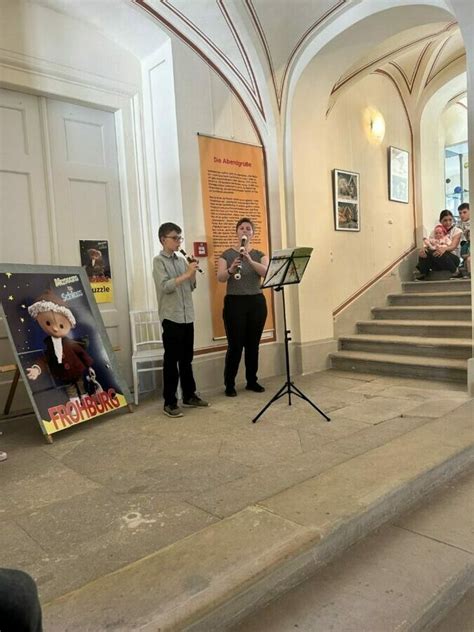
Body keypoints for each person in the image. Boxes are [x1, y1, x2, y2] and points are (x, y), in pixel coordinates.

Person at [152, 222, 209, 417]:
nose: (178, 242)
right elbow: (166, 286)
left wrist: (193, 273)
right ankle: (170, 402)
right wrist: (187, 274)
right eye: (174, 238)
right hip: (171, 317)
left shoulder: (181, 260)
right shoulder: (158, 261)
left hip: (187, 316)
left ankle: (189, 395)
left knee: (187, 359)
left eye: (179, 238)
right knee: (171, 360)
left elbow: (190, 287)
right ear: (163, 240)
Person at [217, 217, 269, 397]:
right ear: (237, 232)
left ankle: (251, 381)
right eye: (242, 228)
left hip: (256, 302)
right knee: (235, 345)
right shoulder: (227, 254)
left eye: (248, 228)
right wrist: (231, 269)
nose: (245, 231)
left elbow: (266, 273)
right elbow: (221, 277)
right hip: (234, 302)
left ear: (253, 233)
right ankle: (229, 384)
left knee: (253, 345)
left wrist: (249, 260)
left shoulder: (259, 254)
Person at [415, 210, 463, 280]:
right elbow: (430, 244)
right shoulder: (436, 231)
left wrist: (444, 249)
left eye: (450, 220)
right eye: (445, 220)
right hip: (438, 261)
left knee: (438, 251)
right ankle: (424, 273)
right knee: (424, 252)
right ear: (441, 221)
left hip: (453, 260)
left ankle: (457, 272)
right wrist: (424, 249)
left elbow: (453, 246)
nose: (448, 222)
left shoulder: (457, 231)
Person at [451, 203, 470, 278]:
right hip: (461, 247)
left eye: (464, 212)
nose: (462, 215)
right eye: (460, 213)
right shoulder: (457, 224)